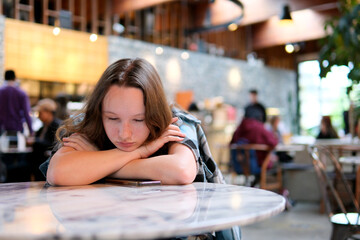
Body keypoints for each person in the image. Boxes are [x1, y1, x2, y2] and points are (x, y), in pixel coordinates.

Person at [39, 58, 240, 239]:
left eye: (138, 120)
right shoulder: (88, 124)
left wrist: (98, 160)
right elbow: (58, 172)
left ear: (154, 113)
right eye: (112, 118)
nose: (124, 134)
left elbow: (180, 170)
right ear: (100, 112)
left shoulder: (176, 122)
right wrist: (139, 152)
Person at [29, 98, 62, 180]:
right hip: (39, 160)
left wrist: (34, 141)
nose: (39, 115)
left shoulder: (57, 126)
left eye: (40, 113)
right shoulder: (42, 127)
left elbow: (53, 145)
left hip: (47, 161)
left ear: (48, 112)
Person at [0, 70, 33, 135]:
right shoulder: (21, 93)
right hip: (17, 128)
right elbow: (27, 113)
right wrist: (31, 130)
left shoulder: (1, 92)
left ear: (5, 78)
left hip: (1, 128)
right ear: (14, 78)